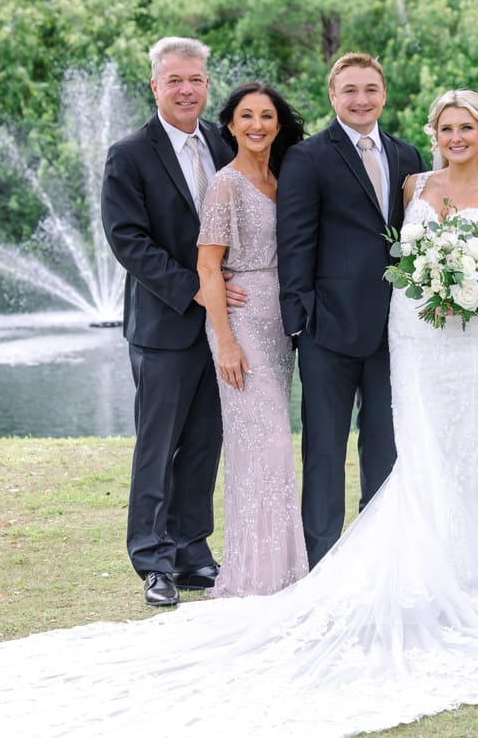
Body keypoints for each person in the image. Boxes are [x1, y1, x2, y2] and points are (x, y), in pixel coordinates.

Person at [0, 89, 478, 735]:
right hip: (396, 328)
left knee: (460, 446)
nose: (453, 137)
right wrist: (298, 318)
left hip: (459, 332)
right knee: (382, 448)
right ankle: (251, 560)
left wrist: (464, 290)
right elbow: (294, 244)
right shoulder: (393, 179)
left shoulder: (439, 174)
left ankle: (469, 562)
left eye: (465, 128)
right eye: (444, 127)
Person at [276, 52, 426, 568]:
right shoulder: (307, 156)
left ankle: (377, 560)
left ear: (383, 93)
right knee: (324, 453)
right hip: (328, 330)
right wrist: (301, 319)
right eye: (350, 90)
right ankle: (321, 562)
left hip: (396, 331)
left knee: (385, 452)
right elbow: (294, 241)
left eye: (370, 89)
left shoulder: (407, 155)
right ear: (333, 96)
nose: (361, 99)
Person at [101, 36, 236, 607]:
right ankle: (152, 561)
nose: (187, 89)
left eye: (196, 79)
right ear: (155, 85)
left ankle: (191, 553)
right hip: (167, 324)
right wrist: (198, 291)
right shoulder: (130, 153)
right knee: (159, 446)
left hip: (224, 326)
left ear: (207, 85)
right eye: (175, 80)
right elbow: (127, 240)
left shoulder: (223, 141)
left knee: (205, 441)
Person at [195, 82, 308, 597]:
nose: (257, 125)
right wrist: (226, 343)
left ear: (278, 125)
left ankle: (282, 568)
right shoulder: (226, 185)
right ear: (231, 125)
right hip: (242, 327)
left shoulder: (282, 179)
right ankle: (257, 576)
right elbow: (208, 267)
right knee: (263, 449)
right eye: (247, 116)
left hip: (278, 326)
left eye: (266, 116)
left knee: (272, 447)